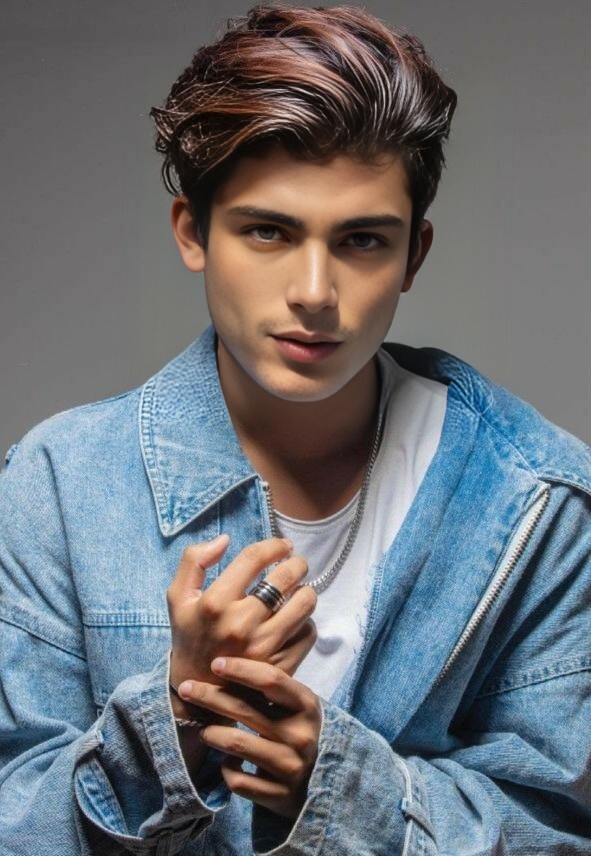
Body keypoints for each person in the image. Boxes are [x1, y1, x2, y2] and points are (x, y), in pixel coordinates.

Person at [1, 4, 590, 854]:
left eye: (361, 241)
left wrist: (343, 787)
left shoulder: (537, 502)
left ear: (414, 255)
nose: (314, 292)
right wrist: (175, 718)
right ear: (193, 233)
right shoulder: (59, 484)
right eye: (268, 232)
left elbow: (557, 829)